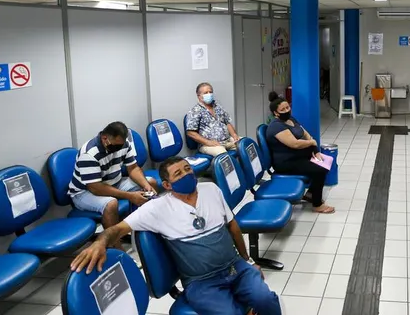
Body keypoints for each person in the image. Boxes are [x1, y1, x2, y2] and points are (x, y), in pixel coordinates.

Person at [70, 157, 281, 315]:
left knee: (267, 300)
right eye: (178, 173)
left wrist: (248, 261)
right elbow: (117, 229)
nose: (186, 175)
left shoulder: (211, 189)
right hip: (202, 282)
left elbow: (232, 225)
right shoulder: (157, 208)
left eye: (188, 169)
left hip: (235, 267)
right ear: (167, 185)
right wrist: (100, 242)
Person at [68, 121, 157, 246]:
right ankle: (116, 246)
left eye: (121, 145)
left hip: (114, 183)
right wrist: (130, 196)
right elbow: (95, 188)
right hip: (84, 192)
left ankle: (144, 232)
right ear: (105, 138)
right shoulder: (89, 153)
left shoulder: (123, 144)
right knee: (110, 204)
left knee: (150, 183)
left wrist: (146, 185)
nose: (118, 149)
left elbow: (133, 168)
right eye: (115, 146)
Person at [265, 98, 334, 214]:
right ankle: (317, 205)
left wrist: (315, 150)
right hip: (286, 162)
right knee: (320, 171)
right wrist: (312, 143)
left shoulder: (290, 119)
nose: (287, 110)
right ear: (276, 113)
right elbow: (295, 144)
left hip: (297, 156)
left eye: (287, 107)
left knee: (324, 164)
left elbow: (305, 133)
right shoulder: (276, 126)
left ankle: (310, 194)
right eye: (282, 109)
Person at [186, 82, 242, 157]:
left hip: (226, 141)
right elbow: (190, 133)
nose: (209, 94)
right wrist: (208, 142)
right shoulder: (195, 111)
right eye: (206, 93)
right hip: (208, 145)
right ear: (199, 96)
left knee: (245, 144)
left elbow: (227, 122)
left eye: (210, 92)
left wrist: (234, 135)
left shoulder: (218, 107)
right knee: (223, 155)